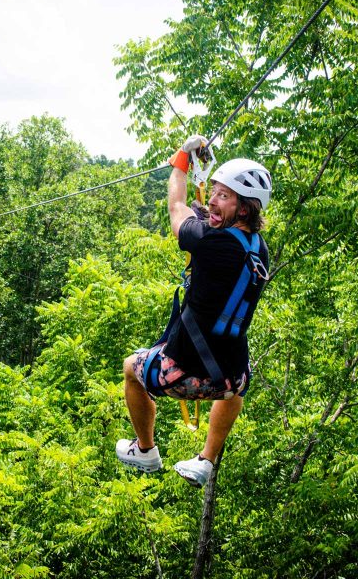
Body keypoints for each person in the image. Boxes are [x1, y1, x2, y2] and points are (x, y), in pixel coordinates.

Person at [116, 135, 272, 488]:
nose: (214, 200)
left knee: (131, 368)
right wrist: (210, 198)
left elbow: (177, 207)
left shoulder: (211, 241)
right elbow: (208, 221)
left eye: (223, 195)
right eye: (213, 191)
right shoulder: (258, 249)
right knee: (236, 392)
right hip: (231, 378)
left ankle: (145, 450)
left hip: (182, 374)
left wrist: (183, 158)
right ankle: (206, 459)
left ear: (243, 209)